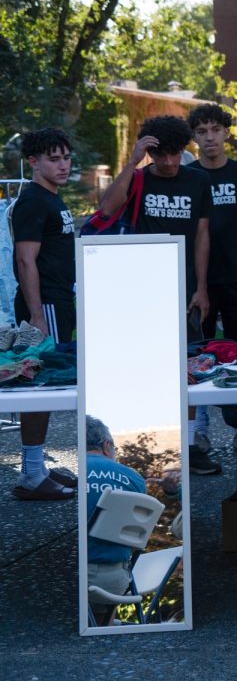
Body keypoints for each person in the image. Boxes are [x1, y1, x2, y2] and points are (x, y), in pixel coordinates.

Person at [97, 115, 217, 475]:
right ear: (150, 152)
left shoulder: (198, 180)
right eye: (160, 155)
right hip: (141, 286)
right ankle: (140, 442)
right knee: (142, 365)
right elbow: (106, 208)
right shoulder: (137, 177)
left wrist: (201, 287)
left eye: (175, 154)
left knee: (188, 367)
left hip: (184, 286)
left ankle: (192, 444)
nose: (167, 162)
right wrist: (133, 161)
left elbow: (202, 236)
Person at [10, 128, 77, 501]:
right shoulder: (34, 201)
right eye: (54, 158)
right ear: (33, 162)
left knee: (47, 387)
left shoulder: (53, 197)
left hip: (59, 302)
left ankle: (35, 469)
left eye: (66, 157)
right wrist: (37, 314)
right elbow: (25, 259)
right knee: (42, 387)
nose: (63, 165)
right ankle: (32, 474)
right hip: (45, 305)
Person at [187, 103, 237, 455]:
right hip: (198, 284)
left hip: (235, 281)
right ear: (194, 137)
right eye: (202, 131)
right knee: (197, 357)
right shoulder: (189, 176)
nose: (209, 137)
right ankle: (199, 432)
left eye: (215, 129)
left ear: (227, 132)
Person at [84, 416, 147, 609]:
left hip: (76, 575)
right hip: (116, 581)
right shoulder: (134, 478)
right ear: (107, 445)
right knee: (103, 614)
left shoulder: (68, 474)